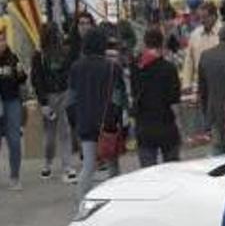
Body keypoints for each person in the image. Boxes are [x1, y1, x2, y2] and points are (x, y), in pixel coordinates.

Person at [69, 28, 127, 202]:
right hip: (107, 125)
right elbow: (118, 98)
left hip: (85, 124)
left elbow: (70, 99)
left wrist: (75, 122)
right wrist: (117, 121)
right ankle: (115, 202)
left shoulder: (75, 67)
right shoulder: (112, 68)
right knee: (113, 166)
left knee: (88, 166)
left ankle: (82, 204)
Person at [31, 23, 77, 183]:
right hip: (55, 95)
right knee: (56, 133)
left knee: (59, 131)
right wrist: (44, 102)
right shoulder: (41, 55)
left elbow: (37, 80)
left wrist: (43, 102)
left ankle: (61, 166)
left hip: (56, 95)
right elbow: (37, 79)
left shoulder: (44, 54)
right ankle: (55, 164)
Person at [131, 28, 182, 168]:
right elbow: (174, 101)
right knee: (172, 170)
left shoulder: (136, 68)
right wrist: (179, 125)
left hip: (144, 126)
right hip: (166, 125)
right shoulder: (169, 68)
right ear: (162, 44)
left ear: (145, 44)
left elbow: (134, 94)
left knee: (149, 174)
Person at [198, 23, 225, 155]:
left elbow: (202, 89)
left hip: (214, 112)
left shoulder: (206, 56)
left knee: (218, 150)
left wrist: (206, 112)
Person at [0, 20, 27, 190]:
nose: (1, 43)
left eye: (2, 40)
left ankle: (15, 176)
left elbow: (22, 79)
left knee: (14, 141)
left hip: (12, 101)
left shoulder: (12, 57)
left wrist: (20, 72)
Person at [181, 1, 221, 93]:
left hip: (217, 83)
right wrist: (186, 84)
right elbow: (189, 61)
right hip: (198, 84)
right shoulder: (195, 35)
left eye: (205, 17)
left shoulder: (222, 34)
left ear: (214, 16)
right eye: (200, 18)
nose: (202, 21)